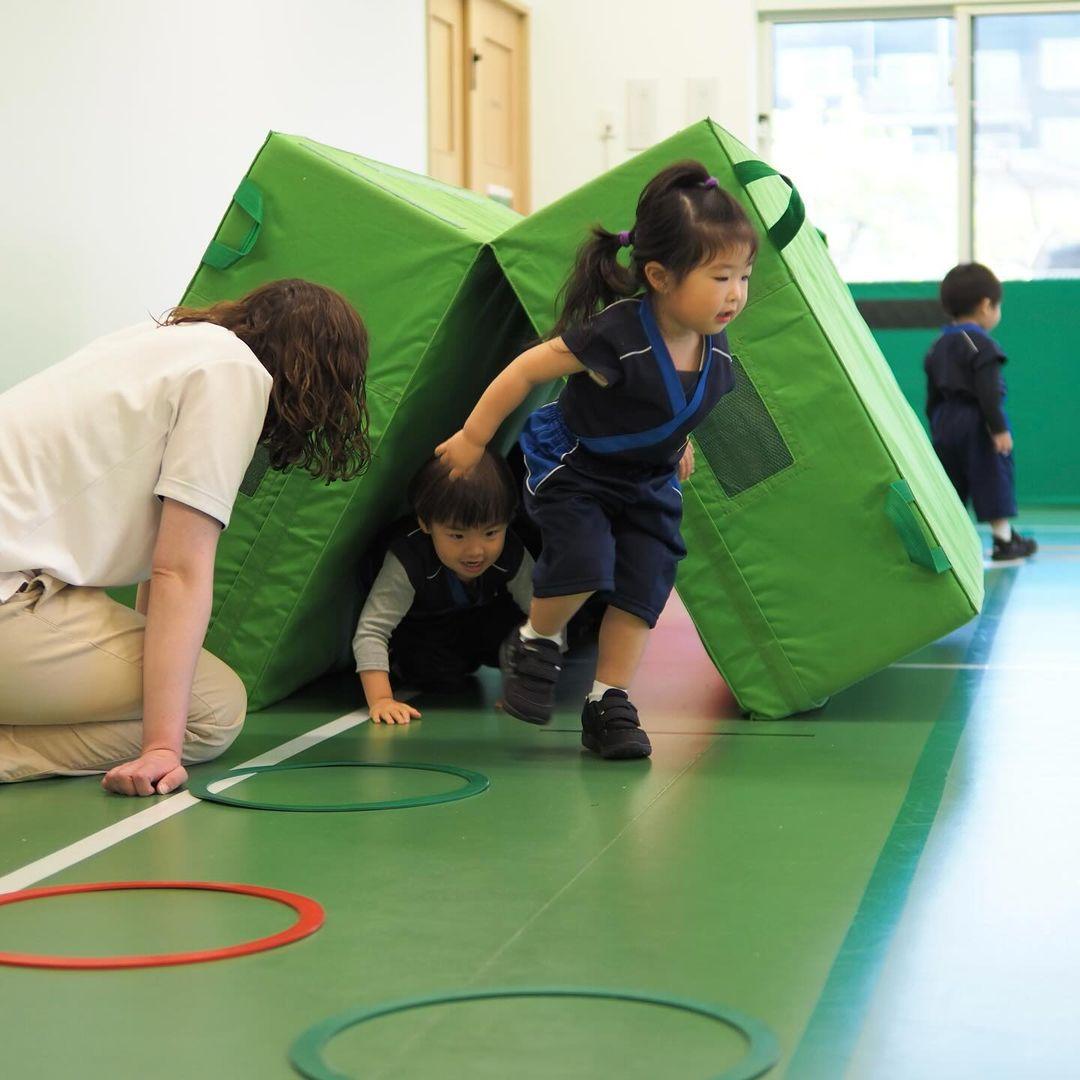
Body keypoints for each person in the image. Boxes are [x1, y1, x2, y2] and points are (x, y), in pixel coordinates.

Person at [436, 161, 756, 760]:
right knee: (586, 560)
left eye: (743, 275)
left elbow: (675, 401)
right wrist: (473, 439)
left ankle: (607, 701)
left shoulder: (716, 344)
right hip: (576, 463)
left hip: (649, 479)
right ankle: (534, 638)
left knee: (643, 587)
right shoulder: (619, 332)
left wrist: (677, 441)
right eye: (720, 277)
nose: (735, 293)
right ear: (659, 276)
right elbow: (528, 367)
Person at [0, 279, 370, 794]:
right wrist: (161, 747)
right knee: (214, 710)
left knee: (168, 679)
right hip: (9, 599)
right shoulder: (235, 374)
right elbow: (179, 569)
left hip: (19, 584)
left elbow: (160, 566)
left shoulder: (166, 344)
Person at [353, 451, 536, 725]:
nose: (475, 551)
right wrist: (381, 700)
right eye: (457, 535)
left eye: (491, 533)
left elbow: (549, 614)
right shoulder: (408, 559)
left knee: (529, 628)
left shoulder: (512, 552)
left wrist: (528, 686)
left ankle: (499, 656)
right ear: (426, 523)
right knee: (434, 673)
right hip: (425, 627)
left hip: (479, 618)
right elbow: (371, 630)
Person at [925, 263, 1036, 561]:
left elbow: (932, 396)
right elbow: (987, 392)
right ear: (986, 305)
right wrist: (998, 428)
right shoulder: (981, 344)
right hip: (976, 421)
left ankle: (945, 541)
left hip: (945, 421)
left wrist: (938, 426)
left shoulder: (939, 344)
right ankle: (1003, 541)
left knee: (951, 482)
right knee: (991, 475)